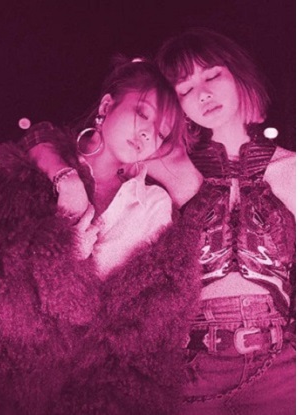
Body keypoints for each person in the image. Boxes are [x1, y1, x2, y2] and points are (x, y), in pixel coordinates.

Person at [0, 58, 203, 414]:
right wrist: (59, 232)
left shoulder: (153, 205)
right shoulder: (26, 172)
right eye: (142, 113)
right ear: (106, 106)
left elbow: (142, 328)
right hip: (6, 384)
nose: (147, 134)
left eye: (161, 133)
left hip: (96, 395)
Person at [153, 28, 295, 415]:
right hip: (191, 364)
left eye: (212, 75)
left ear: (237, 74)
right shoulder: (168, 166)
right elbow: (96, 148)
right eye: (184, 88)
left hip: (282, 365)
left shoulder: (292, 168)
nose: (202, 94)